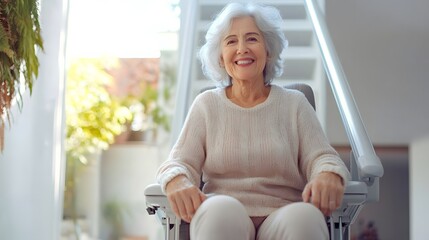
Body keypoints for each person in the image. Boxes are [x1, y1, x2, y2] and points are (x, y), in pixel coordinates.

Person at [156, 2, 350, 240]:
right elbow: (178, 163)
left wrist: (328, 175)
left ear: (268, 51)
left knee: (305, 219)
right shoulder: (206, 105)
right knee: (220, 212)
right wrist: (176, 181)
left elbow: (323, 157)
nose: (241, 49)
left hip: (284, 212)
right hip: (224, 212)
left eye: (252, 39)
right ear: (220, 58)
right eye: (231, 42)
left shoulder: (295, 103)